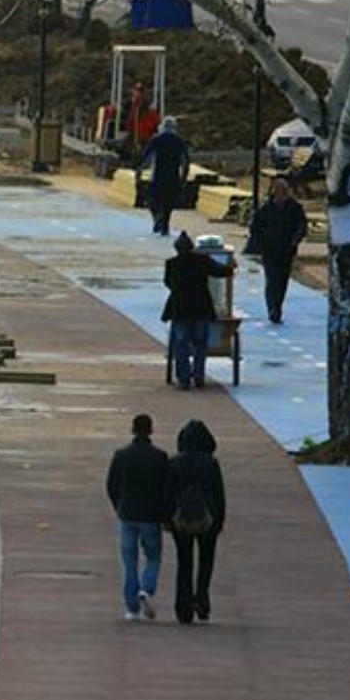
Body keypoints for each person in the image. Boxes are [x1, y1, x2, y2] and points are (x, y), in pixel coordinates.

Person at [106, 413, 171, 621]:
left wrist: (119, 506)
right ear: (151, 430)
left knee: (129, 562)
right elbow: (166, 489)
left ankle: (131, 608)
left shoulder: (121, 455)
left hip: (127, 514)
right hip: (151, 516)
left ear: (132, 429)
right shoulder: (160, 457)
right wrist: (164, 513)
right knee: (153, 557)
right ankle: (147, 589)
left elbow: (111, 485)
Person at [167, 419, 226, 624]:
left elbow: (168, 493)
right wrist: (220, 521)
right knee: (206, 560)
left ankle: (183, 607)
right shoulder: (211, 463)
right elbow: (219, 495)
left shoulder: (174, 462)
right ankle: (202, 598)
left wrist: (167, 519)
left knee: (184, 561)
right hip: (207, 516)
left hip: (181, 518)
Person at [162, 231, 235, 389]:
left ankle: (183, 378)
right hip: (201, 307)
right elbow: (222, 272)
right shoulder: (202, 261)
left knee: (181, 343)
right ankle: (198, 375)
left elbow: (168, 283)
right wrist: (232, 265)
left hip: (180, 308)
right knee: (200, 343)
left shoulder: (171, 263)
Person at [249, 176, 307, 324]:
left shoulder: (294, 208)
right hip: (270, 250)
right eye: (279, 190)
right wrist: (260, 244)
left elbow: (302, 226)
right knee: (272, 279)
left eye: (285, 190)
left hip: (287, 249)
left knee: (282, 280)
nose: (282, 193)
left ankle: (278, 305)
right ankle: (272, 308)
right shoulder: (266, 209)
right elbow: (255, 227)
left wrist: (295, 239)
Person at [139, 116, 191, 236]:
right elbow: (185, 162)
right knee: (168, 204)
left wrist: (139, 171)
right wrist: (183, 178)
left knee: (152, 200)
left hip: (157, 176)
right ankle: (164, 225)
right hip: (173, 178)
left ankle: (158, 217)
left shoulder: (156, 140)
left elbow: (146, 157)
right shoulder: (179, 142)